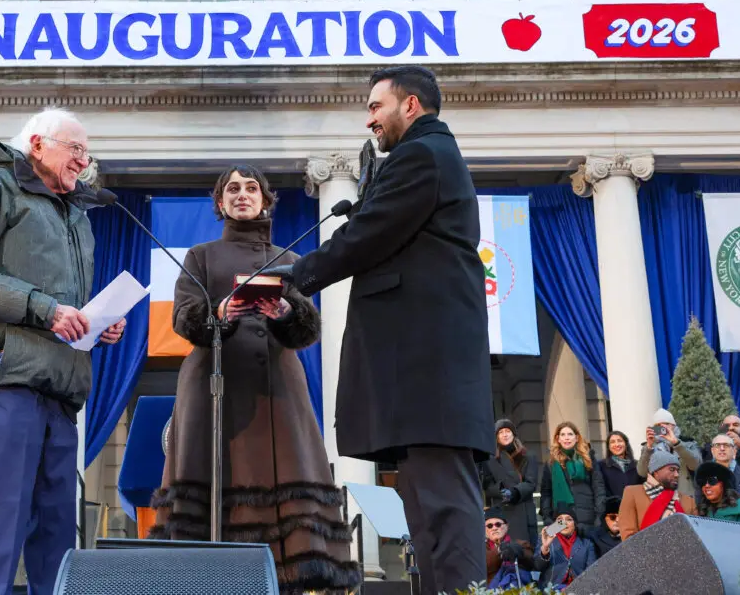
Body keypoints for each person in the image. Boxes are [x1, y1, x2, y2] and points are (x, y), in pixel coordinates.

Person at [264, 66, 493, 595]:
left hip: (427, 366)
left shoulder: (421, 154)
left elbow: (368, 235)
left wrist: (296, 276)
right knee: (427, 515)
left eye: (375, 106)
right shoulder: (424, 156)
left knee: (444, 511)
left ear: (410, 106)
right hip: (419, 371)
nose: (368, 118)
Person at [149, 165, 360, 593]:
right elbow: (183, 319)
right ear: (220, 202)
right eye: (232, 189)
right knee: (214, 491)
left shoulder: (291, 258)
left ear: (265, 199)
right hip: (215, 389)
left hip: (276, 393)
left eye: (250, 188)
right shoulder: (201, 256)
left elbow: (308, 330)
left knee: (283, 489)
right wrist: (220, 315)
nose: (241, 195)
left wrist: (285, 312)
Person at [0, 109, 124, 595]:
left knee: (57, 526)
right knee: (2, 515)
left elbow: (63, 297)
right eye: (76, 149)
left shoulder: (75, 214)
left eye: (88, 153)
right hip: (8, 378)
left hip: (62, 384)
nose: (84, 162)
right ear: (38, 144)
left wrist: (92, 320)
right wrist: (47, 310)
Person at [539, 422, 605, 536]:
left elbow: (598, 487)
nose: (566, 438)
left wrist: (599, 515)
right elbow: (546, 493)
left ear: (577, 437)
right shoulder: (550, 463)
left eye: (570, 434)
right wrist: (547, 518)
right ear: (558, 439)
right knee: (560, 551)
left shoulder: (588, 458)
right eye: (563, 435)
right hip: (560, 520)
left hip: (587, 518)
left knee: (587, 551)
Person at [480, 419, 539, 545]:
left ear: (513, 434)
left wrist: (514, 492)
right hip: (502, 512)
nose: (505, 434)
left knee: (526, 553)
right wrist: (500, 490)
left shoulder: (528, 456)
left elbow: (531, 483)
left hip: (524, 511)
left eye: (508, 431)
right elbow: (487, 486)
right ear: (496, 437)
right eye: (501, 432)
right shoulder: (489, 459)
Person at [618, 450, 697, 540]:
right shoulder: (632, 493)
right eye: (672, 469)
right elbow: (628, 535)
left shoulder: (689, 501)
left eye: (678, 470)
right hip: (644, 552)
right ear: (656, 471)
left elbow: (695, 538)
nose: (677, 475)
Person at [637, 408, 701, 501]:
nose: (663, 427)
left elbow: (695, 465)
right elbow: (642, 472)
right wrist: (649, 447)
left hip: (684, 495)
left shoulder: (688, 443)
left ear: (674, 426)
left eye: (666, 424)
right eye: (658, 425)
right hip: (657, 497)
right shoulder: (649, 447)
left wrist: (676, 444)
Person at [533, 506, 596, 589]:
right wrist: (545, 548)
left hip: (578, 590)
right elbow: (537, 566)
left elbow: (592, 572)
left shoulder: (587, 544)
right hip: (551, 590)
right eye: (560, 520)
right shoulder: (546, 540)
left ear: (575, 524)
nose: (564, 523)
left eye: (569, 519)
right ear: (555, 524)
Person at [483, 508, 534, 590]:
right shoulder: (481, 549)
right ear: (485, 530)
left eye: (498, 524)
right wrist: (500, 551)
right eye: (489, 526)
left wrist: (519, 552)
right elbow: (483, 566)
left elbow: (532, 561)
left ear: (506, 526)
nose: (494, 528)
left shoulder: (520, 543)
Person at [708, 432, 740, 499]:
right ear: (712, 451)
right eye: (717, 445)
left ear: (734, 451)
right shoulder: (703, 476)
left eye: (726, 445)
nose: (722, 448)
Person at [596, 431, 641, 501]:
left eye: (620, 441)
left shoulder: (638, 465)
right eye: (612, 442)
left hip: (635, 508)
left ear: (626, 444)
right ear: (608, 446)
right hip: (613, 510)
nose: (616, 444)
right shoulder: (600, 465)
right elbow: (600, 491)